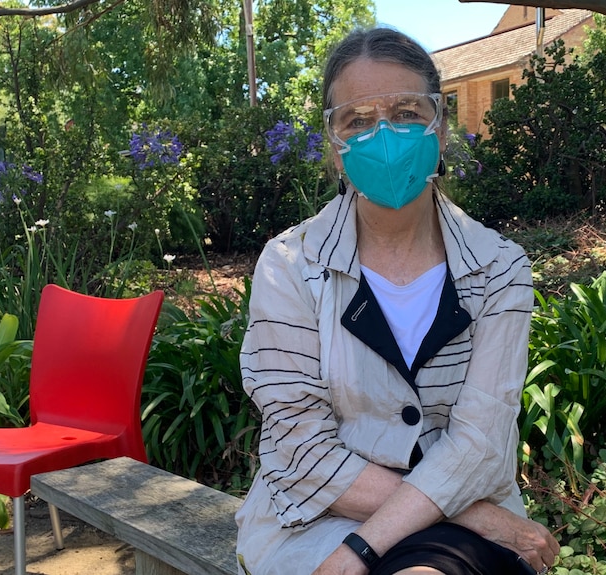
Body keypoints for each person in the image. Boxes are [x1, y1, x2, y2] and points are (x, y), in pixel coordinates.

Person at [235, 26, 560, 575]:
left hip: (452, 524)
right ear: (334, 147)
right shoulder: (291, 264)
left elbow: (479, 444)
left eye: (407, 112)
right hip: (322, 515)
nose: (384, 135)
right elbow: (301, 450)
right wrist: (487, 521)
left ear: (440, 125)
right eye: (358, 120)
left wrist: (360, 553)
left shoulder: (499, 267)